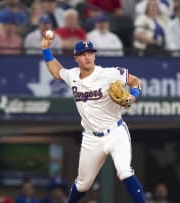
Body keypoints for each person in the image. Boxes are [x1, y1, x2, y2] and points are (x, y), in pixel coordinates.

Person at [40, 35, 145, 202]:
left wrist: (133, 96)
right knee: (82, 185)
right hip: (91, 137)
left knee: (124, 171)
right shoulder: (72, 75)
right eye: (83, 54)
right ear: (76, 58)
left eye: (90, 53)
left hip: (116, 131)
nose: (87, 57)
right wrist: (45, 49)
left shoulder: (108, 74)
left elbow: (135, 81)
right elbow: (56, 71)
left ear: (94, 56)